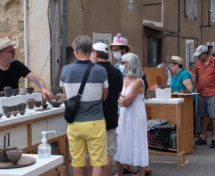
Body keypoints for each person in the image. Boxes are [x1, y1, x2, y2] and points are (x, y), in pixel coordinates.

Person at [60, 35, 108, 176]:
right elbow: (104, 96)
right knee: (97, 163)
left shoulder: (65, 70)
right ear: (91, 51)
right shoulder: (100, 71)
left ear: (75, 51)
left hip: (74, 123)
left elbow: (66, 96)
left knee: (77, 163)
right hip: (95, 122)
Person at [85, 42, 123, 176]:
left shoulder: (90, 70)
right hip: (111, 116)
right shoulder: (117, 72)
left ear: (95, 54)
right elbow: (119, 95)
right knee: (109, 151)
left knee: (91, 151)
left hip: (92, 116)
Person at [0, 36, 53, 100]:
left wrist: (43, 88)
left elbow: (36, 78)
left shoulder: (17, 65)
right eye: (12, 51)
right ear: (2, 53)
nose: (15, 53)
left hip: (15, 107)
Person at [114, 53, 149, 176]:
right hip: (125, 114)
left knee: (137, 139)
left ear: (130, 64)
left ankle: (141, 172)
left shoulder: (139, 81)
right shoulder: (125, 79)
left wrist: (122, 100)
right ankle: (120, 170)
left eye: (124, 63)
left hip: (136, 114)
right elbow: (120, 97)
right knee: (121, 138)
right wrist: (122, 100)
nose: (122, 65)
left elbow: (127, 100)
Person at [192, 45, 215, 149]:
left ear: (205, 54)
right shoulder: (198, 63)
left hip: (213, 93)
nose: (198, 57)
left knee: (213, 116)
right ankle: (203, 137)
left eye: (199, 55)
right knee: (202, 116)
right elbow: (194, 76)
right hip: (201, 93)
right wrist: (195, 86)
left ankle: (214, 138)